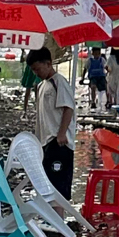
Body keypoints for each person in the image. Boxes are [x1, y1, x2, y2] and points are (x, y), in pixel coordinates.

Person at [31, 45, 78, 199]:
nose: (36, 73)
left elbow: (68, 108)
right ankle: (50, 219)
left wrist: (62, 133)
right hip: (45, 142)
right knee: (47, 185)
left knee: (58, 188)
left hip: (58, 142)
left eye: (38, 69)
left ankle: (58, 221)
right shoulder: (41, 86)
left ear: (48, 64)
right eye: (33, 70)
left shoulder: (59, 82)